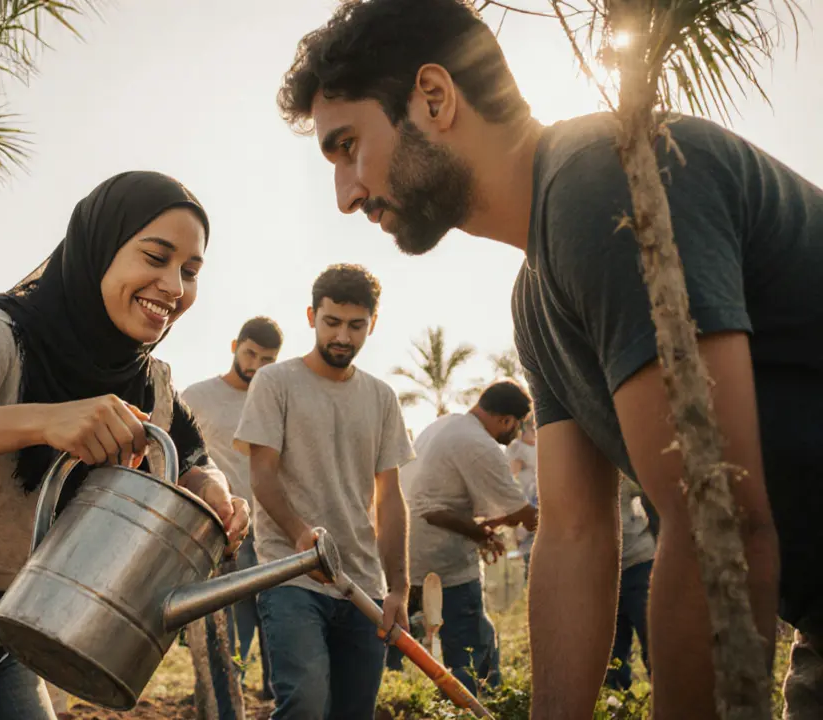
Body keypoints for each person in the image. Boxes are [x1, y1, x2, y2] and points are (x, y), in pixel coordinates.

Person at [274, 1, 823, 717]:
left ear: (434, 99)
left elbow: (716, 519)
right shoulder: (536, 296)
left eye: (348, 146)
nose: (345, 194)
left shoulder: (603, 183)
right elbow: (573, 534)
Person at [0, 171, 251, 720]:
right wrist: (42, 421)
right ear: (98, 248)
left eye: (190, 271)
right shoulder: (1, 332)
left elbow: (195, 461)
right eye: (156, 257)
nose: (175, 286)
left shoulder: (149, 382)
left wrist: (214, 495)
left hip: (14, 619)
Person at [234, 263, 415, 719]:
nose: (343, 336)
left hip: (363, 584)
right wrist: (301, 535)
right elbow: (263, 475)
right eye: (332, 322)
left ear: (372, 324)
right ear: (311, 316)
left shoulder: (382, 398)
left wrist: (399, 588)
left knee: (354, 713)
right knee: (307, 703)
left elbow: (389, 498)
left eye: (356, 326)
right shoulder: (276, 383)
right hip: (291, 574)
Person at [397, 381, 538, 695]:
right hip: (444, 561)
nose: (515, 434)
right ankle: (479, 705)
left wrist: (483, 530)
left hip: (408, 554)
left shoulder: (446, 425)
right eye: (516, 426)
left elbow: (433, 501)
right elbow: (525, 514)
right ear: (506, 420)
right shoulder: (479, 443)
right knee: (471, 648)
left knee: (407, 636)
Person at [181, 316, 284, 715]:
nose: (256, 364)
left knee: (274, 622)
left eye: (267, 359)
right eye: (250, 353)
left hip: (271, 531)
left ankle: (271, 701)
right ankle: (221, 703)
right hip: (219, 530)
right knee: (224, 631)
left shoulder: (274, 401)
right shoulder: (198, 396)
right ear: (234, 346)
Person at [606, 476, 657, 692]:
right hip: (606, 570)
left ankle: (668, 698)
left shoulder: (621, 472)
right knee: (612, 644)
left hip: (638, 560)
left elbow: (651, 485)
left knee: (651, 634)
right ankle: (615, 697)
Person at [504, 416, 538, 576]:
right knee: (526, 537)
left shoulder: (538, 445)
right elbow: (513, 474)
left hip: (539, 495)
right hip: (526, 498)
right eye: (531, 429)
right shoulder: (516, 447)